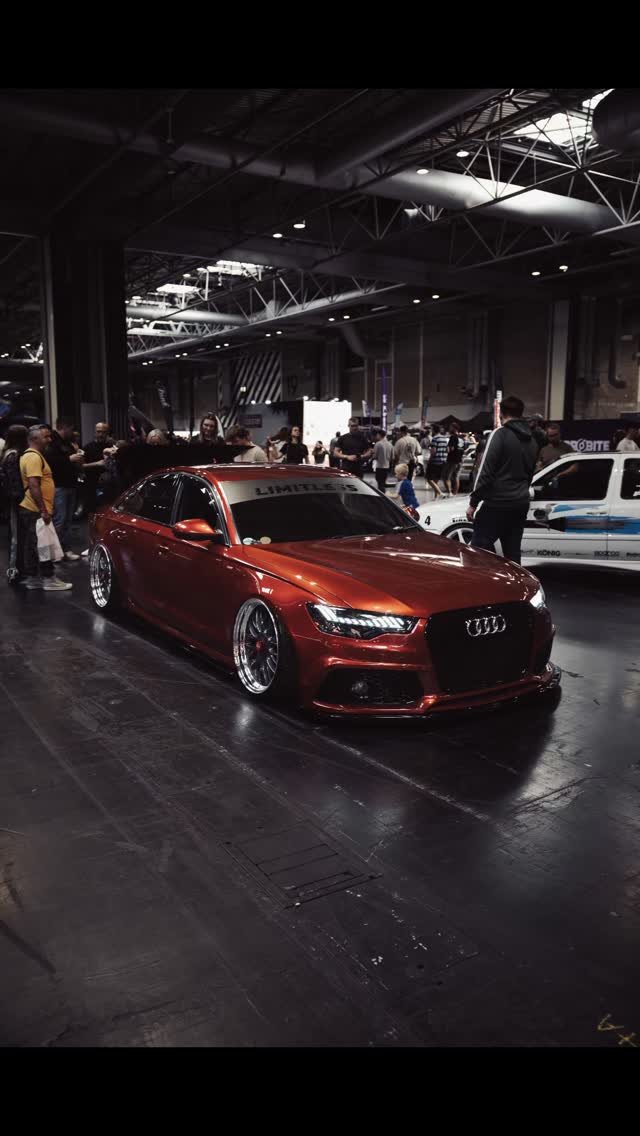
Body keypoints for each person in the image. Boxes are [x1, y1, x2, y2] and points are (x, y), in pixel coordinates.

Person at [466, 395, 537, 565]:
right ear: (521, 413)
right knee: (512, 552)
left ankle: (484, 581)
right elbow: (530, 474)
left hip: (497, 503)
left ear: (501, 414)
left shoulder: (500, 434)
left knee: (479, 550)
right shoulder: (532, 440)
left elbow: (485, 472)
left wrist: (473, 503)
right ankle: (515, 581)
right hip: (520, 503)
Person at [18, 424, 72, 591]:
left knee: (34, 545)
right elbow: (34, 485)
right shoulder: (33, 457)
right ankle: (49, 579)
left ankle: (34, 579)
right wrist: (43, 510)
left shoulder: (31, 456)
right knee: (43, 545)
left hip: (32, 508)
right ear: (35, 439)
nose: (49, 440)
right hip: (35, 509)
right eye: (45, 437)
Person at [46, 416, 84, 561]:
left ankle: (65, 549)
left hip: (69, 483)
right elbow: (50, 462)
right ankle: (55, 552)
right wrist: (69, 459)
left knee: (67, 520)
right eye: (71, 429)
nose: (72, 432)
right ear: (64, 427)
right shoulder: (52, 442)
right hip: (59, 485)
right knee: (60, 520)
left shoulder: (67, 443)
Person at [0, 424, 28, 583]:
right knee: (16, 536)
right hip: (15, 501)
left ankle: (18, 568)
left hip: (14, 500)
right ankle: (15, 570)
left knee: (18, 535)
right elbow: (14, 482)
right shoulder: (13, 455)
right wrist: (22, 499)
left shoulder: (10, 453)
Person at [427, 425, 449, 498]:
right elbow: (447, 450)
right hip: (443, 461)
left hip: (435, 461)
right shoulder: (444, 438)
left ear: (434, 430)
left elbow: (433, 451)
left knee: (429, 479)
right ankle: (435, 497)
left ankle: (440, 493)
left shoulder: (435, 438)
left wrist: (429, 460)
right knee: (436, 480)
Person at [444, 422, 464, 495]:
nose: (449, 429)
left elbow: (451, 449)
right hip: (459, 460)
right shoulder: (461, 438)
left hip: (452, 460)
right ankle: (455, 493)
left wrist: (446, 448)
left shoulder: (453, 437)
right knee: (456, 477)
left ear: (454, 428)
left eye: (450, 427)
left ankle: (449, 493)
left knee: (446, 477)